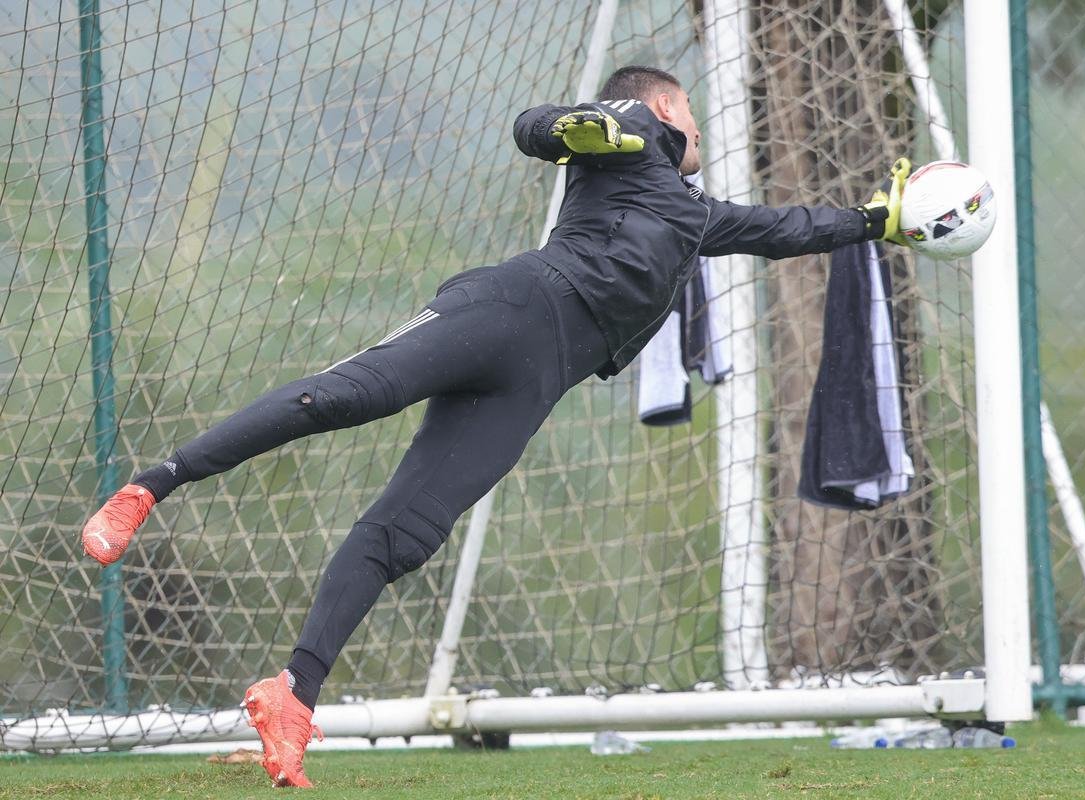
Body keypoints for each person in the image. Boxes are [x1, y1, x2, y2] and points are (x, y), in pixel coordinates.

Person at [81, 65, 910, 787]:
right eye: (687, 109)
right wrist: (582, 126)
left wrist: (875, 220)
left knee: (405, 533)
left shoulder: (691, 214)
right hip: (512, 308)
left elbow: (783, 229)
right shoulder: (618, 144)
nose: (698, 124)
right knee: (341, 397)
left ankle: (293, 694)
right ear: (661, 113)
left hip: (532, 383)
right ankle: (151, 486)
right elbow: (534, 128)